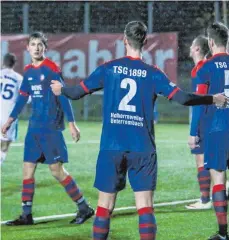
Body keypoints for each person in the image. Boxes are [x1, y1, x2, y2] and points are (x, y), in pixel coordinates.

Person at [51, 21, 228, 240]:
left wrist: (61, 90)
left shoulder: (109, 68)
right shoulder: (153, 73)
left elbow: (77, 92)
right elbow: (182, 98)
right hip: (142, 147)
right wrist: (213, 98)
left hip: (111, 147)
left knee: (104, 206)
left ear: (124, 40)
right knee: (145, 207)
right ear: (145, 41)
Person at [1, 32, 94, 226]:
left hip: (50, 128)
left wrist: (71, 123)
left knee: (57, 171)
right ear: (27, 48)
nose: (36, 48)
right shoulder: (28, 71)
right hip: (34, 128)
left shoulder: (52, 69)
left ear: (45, 48)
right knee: (27, 170)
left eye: (39, 45)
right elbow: (21, 99)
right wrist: (9, 120)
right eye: (33, 44)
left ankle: (84, 207)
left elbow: (62, 96)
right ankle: (26, 214)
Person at [192, 22, 229, 240]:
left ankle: (223, 233)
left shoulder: (205, 68)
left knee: (218, 179)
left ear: (211, 42)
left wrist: (194, 131)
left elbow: (199, 101)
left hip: (217, 129)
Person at [185, 36, 212, 210]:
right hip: (218, 119)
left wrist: (193, 131)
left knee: (200, 159)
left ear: (196, 49)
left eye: (191, 45)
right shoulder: (212, 67)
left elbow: (199, 101)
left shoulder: (200, 69)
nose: (189, 47)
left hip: (205, 120)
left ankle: (205, 200)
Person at [0, 53, 23, 164]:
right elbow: (26, 98)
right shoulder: (18, 78)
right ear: (14, 64)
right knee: (5, 142)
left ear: (3, 62)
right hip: (9, 114)